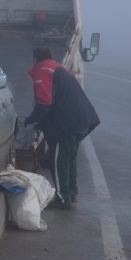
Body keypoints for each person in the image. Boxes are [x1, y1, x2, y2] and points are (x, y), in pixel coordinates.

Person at [23, 46, 100, 209]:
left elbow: (44, 102)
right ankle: (71, 193)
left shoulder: (43, 70)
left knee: (58, 161)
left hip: (67, 124)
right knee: (69, 159)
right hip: (82, 120)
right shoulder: (58, 68)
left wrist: (31, 120)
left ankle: (62, 199)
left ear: (35, 59)